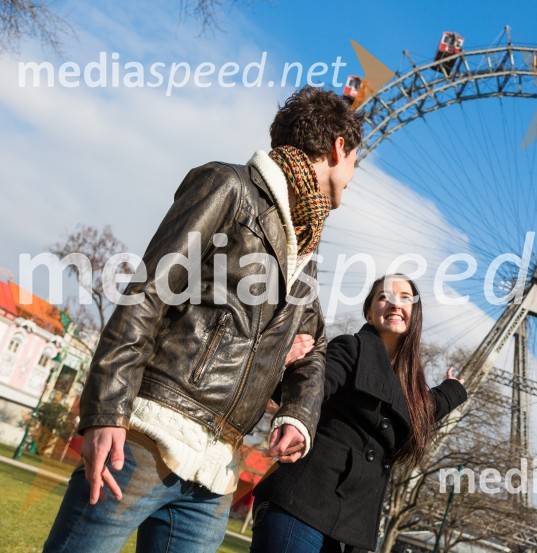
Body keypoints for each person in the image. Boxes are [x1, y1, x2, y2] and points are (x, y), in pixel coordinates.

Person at [44, 86, 365, 553]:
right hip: (147, 438)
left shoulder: (306, 248)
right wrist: (106, 410)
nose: (354, 177)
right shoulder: (229, 187)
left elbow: (312, 345)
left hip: (215, 469)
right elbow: (147, 294)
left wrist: (297, 412)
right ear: (339, 148)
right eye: (356, 161)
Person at [250, 275, 468, 552]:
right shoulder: (350, 348)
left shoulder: (406, 388)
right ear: (369, 312)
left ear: (415, 316)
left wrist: (453, 390)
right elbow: (315, 387)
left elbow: (418, 411)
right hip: (301, 502)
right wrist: (288, 384)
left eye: (405, 298)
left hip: (347, 526)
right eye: (383, 296)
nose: (394, 303)